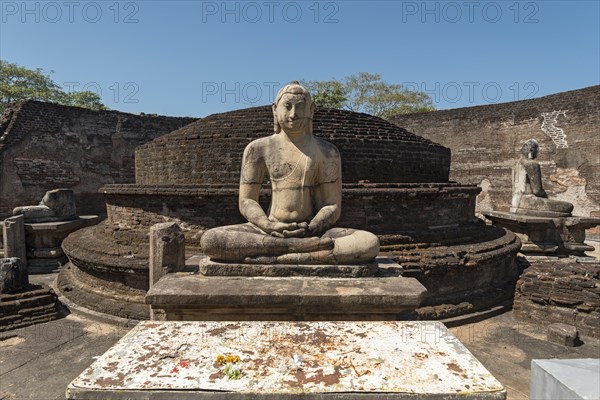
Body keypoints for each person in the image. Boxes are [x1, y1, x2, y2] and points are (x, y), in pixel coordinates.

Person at [201, 82, 379, 264]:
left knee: (369, 243)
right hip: (268, 229)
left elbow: (332, 205)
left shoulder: (327, 152)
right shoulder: (258, 149)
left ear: (311, 110)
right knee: (211, 240)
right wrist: (268, 225)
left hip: (311, 229)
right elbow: (247, 201)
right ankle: (300, 251)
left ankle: (278, 253)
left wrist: (312, 227)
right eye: (287, 106)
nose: (293, 114)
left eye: (300, 107)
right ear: (274, 110)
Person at [510, 139, 573, 217]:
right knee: (568, 206)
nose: (538, 153)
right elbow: (537, 191)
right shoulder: (532, 164)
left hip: (515, 201)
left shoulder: (515, 164)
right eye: (537, 150)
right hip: (528, 201)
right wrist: (545, 196)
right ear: (532, 150)